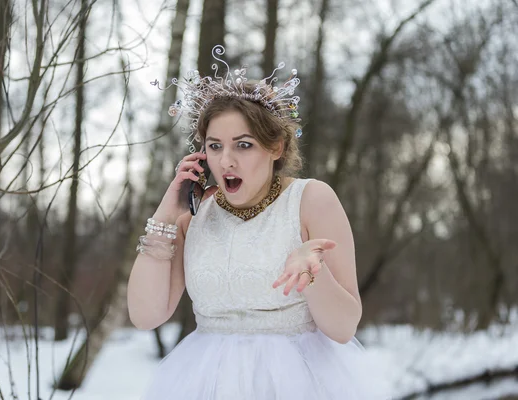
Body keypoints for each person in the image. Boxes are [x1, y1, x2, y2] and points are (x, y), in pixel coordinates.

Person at [127, 45, 389, 399]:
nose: (226, 162)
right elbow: (145, 315)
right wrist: (165, 216)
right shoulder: (193, 214)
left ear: (276, 147)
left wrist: (311, 274)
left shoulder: (312, 200)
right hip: (206, 383)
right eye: (215, 146)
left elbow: (343, 328)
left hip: (298, 383)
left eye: (244, 145)